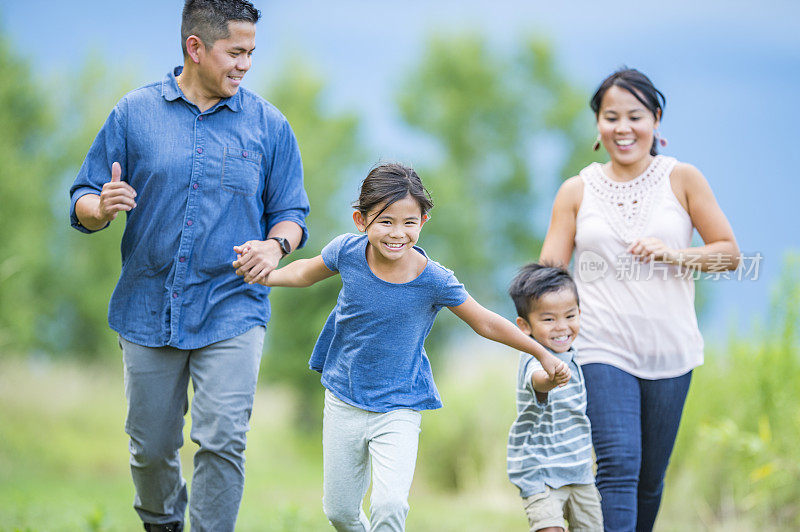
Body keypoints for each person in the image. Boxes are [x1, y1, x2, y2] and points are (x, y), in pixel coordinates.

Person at [68, 1, 310, 530]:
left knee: (223, 439)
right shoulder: (134, 114)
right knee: (151, 448)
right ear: (195, 48)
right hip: (147, 305)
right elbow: (82, 198)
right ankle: (161, 522)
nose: (246, 64)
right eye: (236, 52)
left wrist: (276, 246)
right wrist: (100, 207)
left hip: (232, 306)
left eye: (251, 52)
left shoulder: (269, 124)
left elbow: (291, 212)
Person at [247, 162, 569, 531]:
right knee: (339, 511)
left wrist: (540, 351)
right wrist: (265, 276)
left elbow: (484, 321)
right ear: (360, 220)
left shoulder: (434, 279)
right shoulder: (347, 253)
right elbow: (304, 272)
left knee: (390, 504)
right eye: (385, 222)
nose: (397, 233)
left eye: (408, 222)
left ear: (423, 222)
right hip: (343, 398)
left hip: (399, 404)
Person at [539, 68, 740, 531]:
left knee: (649, 479)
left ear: (656, 119)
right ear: (598, 124)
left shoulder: (683, 179)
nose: (623, 128)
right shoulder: (577, 190)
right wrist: (546, 333)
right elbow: (550, 271)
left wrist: (675, 253)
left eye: (634, 116)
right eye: (611, 117)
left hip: (671, 348)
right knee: (618, 465)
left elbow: (728, 254)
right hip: (600, 345)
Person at [506, 263, 602, 532]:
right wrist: (552, 378)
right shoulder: (534, 358)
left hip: (579, 472)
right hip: (539, 472)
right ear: (525, 326)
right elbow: (539, 381)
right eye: (548, 320)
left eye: (570, 316)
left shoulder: (573, 356)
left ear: (580, 313)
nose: (562, 327)